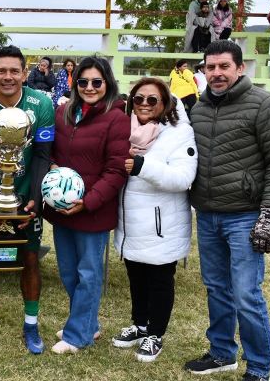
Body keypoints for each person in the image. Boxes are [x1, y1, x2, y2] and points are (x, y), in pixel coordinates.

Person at [183, 40, 270, 381]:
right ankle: (221, 353)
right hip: (207, 214)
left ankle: (259, 369)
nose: (216, 73)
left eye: (223, 66)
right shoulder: (199, 109)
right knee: (217, 288)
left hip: (245, 215)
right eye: (210, 67)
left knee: (246, 295)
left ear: (240, 68)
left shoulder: (265, 105)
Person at [0, 45, 54, 354]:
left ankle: (31, 326)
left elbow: (43, 155)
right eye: (1, 71)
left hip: (28, 196)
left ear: (24, 73)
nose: (7, 77)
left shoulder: (41, 104)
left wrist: (34, 198)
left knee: (30, 260)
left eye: (13, 71)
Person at [44, 56, 130, 354]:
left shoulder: (117, 118)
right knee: (68, 273)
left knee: (89, 274)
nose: (89, 87)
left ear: (107, 83)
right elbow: (51, 153)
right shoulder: (64, 112)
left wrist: (88, 201)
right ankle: (89, 324)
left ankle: (78, 334)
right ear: (75, 82)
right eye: (83, 81)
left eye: (97, 82)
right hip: (62, 210)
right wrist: (55, 178)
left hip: (93, 211)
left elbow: (116, 169)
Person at [111, 77, 197, 362]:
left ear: (165, 103)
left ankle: (155, 334)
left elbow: (183, 177)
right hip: (132, 220)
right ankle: (139, 324)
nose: (144, 105)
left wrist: (142, 166)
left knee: (160, 280)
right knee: (136, 276)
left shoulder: (179, 133)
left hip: (163, 224)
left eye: (152, 100)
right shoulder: (125, 129)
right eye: (138, 99)